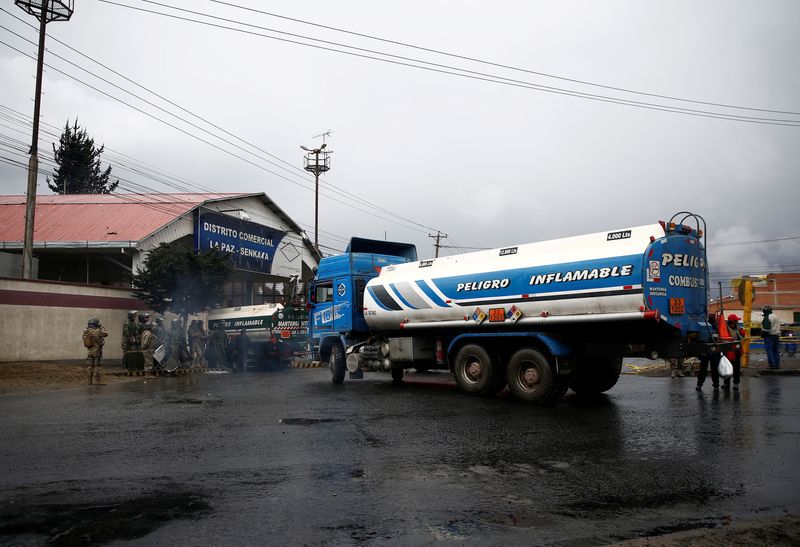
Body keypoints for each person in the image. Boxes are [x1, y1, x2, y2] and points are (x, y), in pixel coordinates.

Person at [697, 313, 721, 391]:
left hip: (707, 352)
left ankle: (700, 385)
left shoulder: (704, 326)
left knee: (704, 369)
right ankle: (715, 385)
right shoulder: (715, 327)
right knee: (712, 369)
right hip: (711, 352)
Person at [82, 317, 108, 385]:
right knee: (97, 366)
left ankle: (89, 381)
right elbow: (106, 334)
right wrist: (102, 327)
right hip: (97, 352)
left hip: (90, 351)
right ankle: (97, 381)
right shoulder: (98, 331)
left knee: (90, 366)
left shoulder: (86, 330)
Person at [723, 314, 745, 391]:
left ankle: (736, 383)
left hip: (737, 351)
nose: (737, 322)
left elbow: (742, 336)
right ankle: (726, 383)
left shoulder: (738, 329)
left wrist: (741, 331)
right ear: (733, 321)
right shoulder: (724, 329)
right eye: (736, 321)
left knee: (736, 368)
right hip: (728, 351)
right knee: (727, 368)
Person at [761, 305, 782, 370]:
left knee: (769, 351)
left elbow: (766, 328)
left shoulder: (767, 317)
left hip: (769, 336)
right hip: (776, 336)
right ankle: (777, 365)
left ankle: (771, 365)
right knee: (776, 351)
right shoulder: (776, 316)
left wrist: (762, 334)